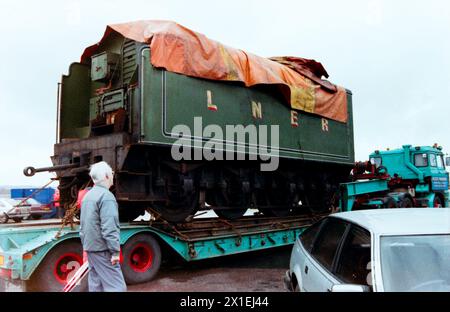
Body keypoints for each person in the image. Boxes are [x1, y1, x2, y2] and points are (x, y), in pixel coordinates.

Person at [79, 161, 127, 292]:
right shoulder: (106, 197)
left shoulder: (88, 196)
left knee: (96, 286)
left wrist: (86, 248)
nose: (112, 175)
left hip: (91, 250)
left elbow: (82, 226)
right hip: (103, 250)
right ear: (106, 176)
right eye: (111, 173)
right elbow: (109, 228)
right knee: (117, 287)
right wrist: (115, 252)